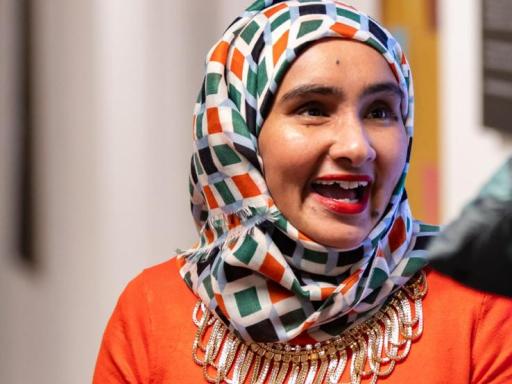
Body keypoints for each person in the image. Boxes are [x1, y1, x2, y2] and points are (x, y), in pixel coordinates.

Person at [93, 1, 512, 383]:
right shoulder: (151, 312)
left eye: (380, 111)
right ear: (238, 137)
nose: (356, 147)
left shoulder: (481, 303)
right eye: (313, 109)